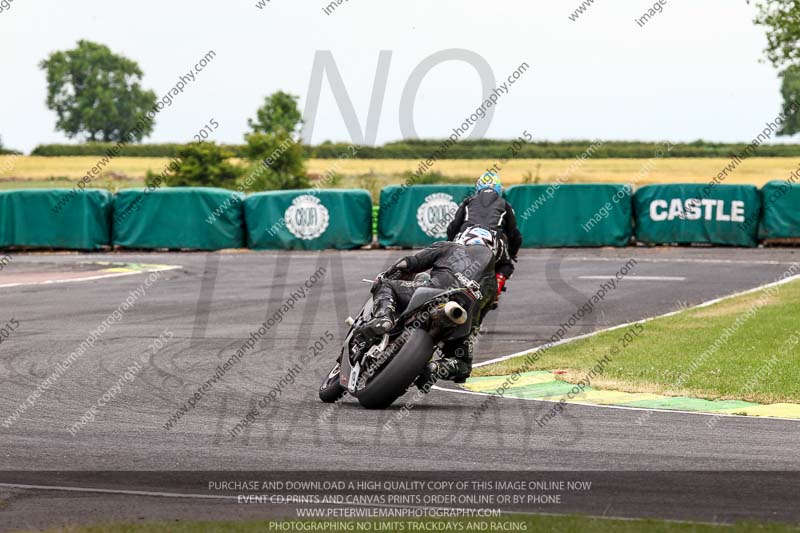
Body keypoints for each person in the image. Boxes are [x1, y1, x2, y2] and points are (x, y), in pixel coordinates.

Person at [358, 227, 498, 384]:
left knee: (386, 285)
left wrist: (387, 275)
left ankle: (383, 317)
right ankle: (435, 368)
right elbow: (477, 323)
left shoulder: (449, 246)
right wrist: (465, 338)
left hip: (434, 292)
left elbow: (409, 263)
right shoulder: (493, 284)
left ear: (463, 238)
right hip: (461, 320)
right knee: (463, 365)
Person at [446, 171, 522, 304]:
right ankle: (496, 288)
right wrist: (512, 253)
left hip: (466, 238)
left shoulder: (468, 201)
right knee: (506, 266)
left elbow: (453, 227)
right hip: (492, 240)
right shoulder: (505, 204)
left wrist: (450, 244)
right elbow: (514, 234)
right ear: (498, 188)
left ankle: (446, 290)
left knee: (450, 262)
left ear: (478, 187)